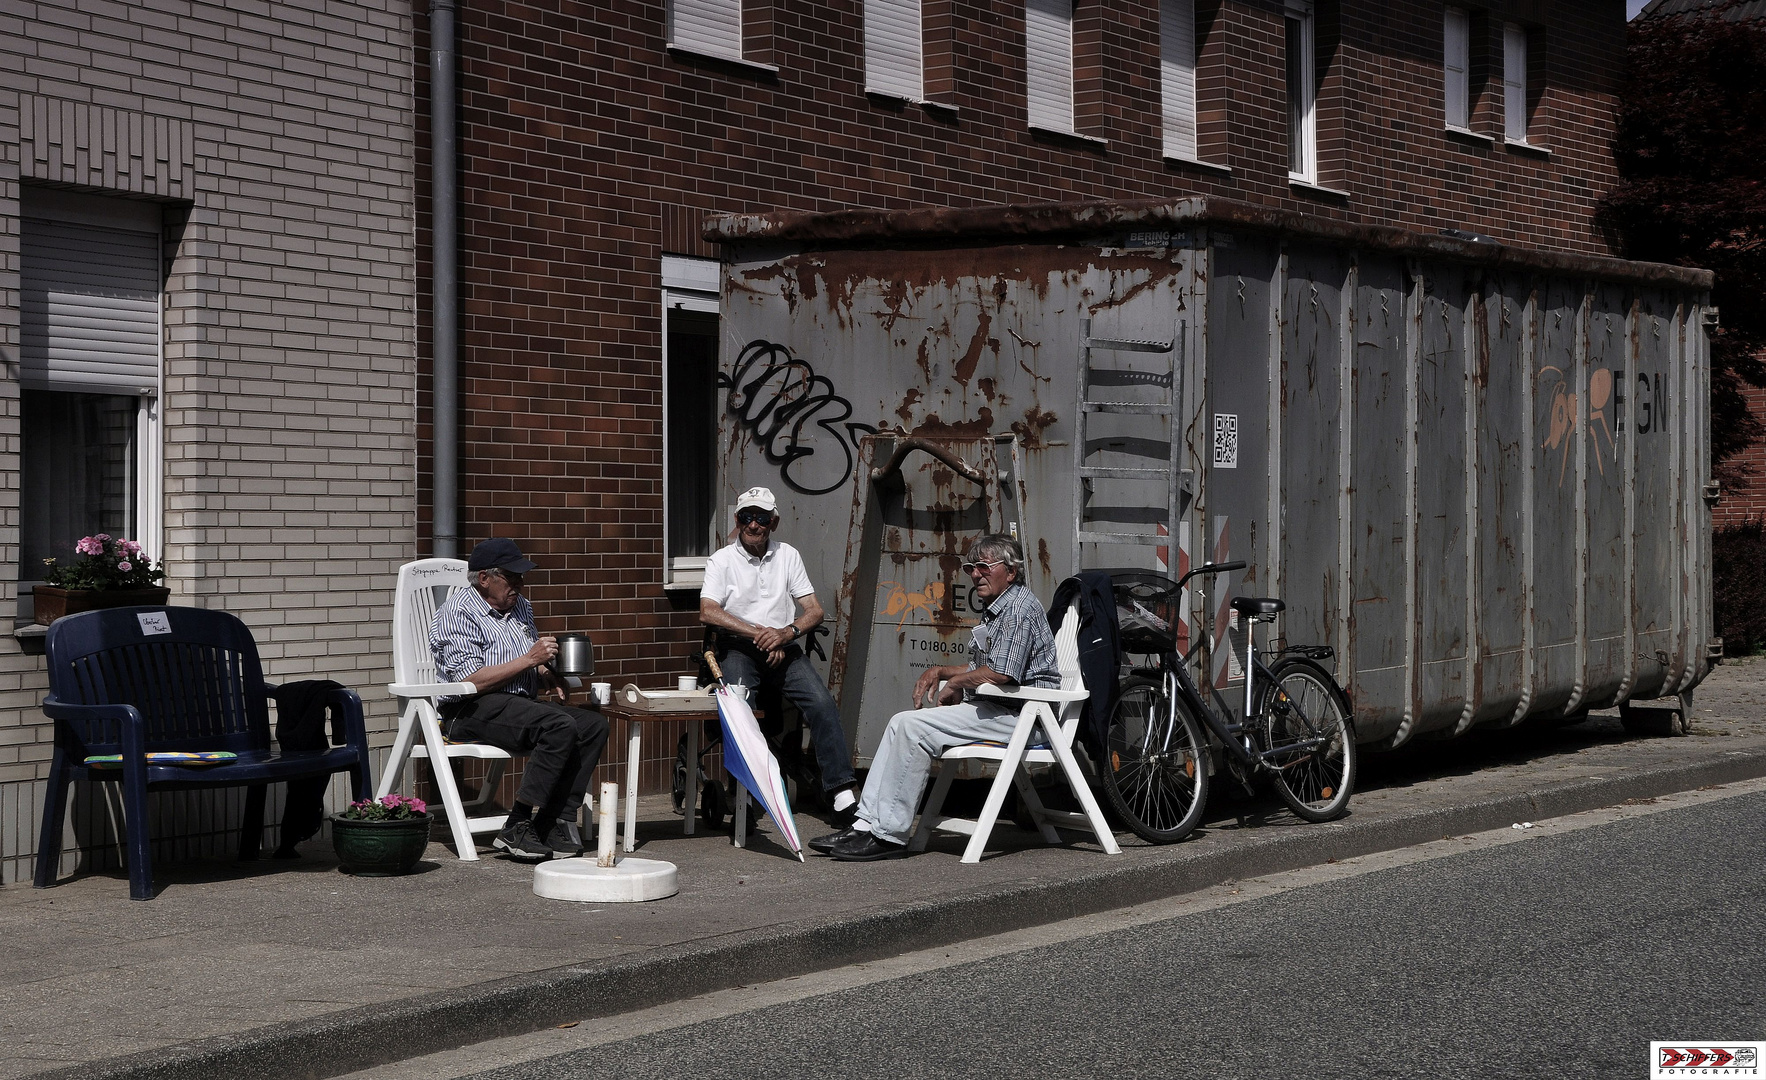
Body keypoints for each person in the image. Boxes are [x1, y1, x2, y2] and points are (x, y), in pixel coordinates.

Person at [814, 533, 1059, 861]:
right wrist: (943, 671)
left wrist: (957, 681)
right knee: (900, 722)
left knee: (915, 731)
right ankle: (865, 824)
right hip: (1000, 710)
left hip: (1027, 718)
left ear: (1011, 572)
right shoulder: (1000, 607)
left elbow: (1003, 674)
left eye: (984, 567)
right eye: (972, 568)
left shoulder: (1018, 608)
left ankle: (888, 835)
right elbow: (984, 666)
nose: (975, 574)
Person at [431, 538, 610, 861]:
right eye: (512, 577)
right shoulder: (457, 612)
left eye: (521, 577)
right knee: (557, 724)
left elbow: (525, 659)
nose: (520, 584)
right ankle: (517, 825)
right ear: (484, 578)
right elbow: (470, 680)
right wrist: (530, 660)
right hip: (469, 708)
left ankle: (550, 820)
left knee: (593, 725)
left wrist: (546, 673)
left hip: (517, 704)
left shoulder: (521, 606)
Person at [700, 486, 860, 819]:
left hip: (783, 644)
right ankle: (743, 792)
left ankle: (841, 790)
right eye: (746, 517)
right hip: (739, 646)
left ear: (773, 522)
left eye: (760, 517)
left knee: (822, 704)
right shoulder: (722, 560)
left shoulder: (788, 555)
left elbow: (814, 610)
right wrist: (762, 635)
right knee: (740, 711)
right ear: (737, 520)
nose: (753, 525)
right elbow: (708, 611)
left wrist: (786, 634)